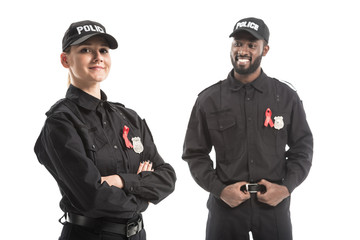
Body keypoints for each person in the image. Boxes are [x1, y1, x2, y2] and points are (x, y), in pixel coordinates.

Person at [34, 20, 176, 240]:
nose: (97, 56)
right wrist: (143, 197)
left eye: (103, 50)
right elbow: (93, 199)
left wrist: (121, 181)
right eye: (85, 50)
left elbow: (167, 177)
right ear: (65, 60)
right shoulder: (61, 122)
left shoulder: (129, 117)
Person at [182, 17, 313, 240]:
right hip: (226, 210)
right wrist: (220, 190)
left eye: (252, 45)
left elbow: (302, 148)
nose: (243, 50)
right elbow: (195, 154)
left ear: (265, 49)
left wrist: (285, 188)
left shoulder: (286, 97)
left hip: (273, 210)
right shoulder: (209, 99)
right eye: (238, 43)